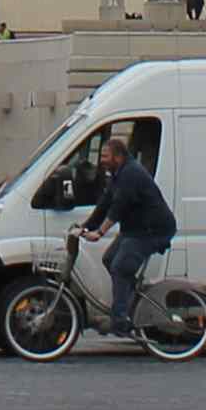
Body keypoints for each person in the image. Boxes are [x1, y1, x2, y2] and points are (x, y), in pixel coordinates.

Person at [76, 116, 174, 344]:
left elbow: (119, 206)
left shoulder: (130, 174)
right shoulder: (118, 174)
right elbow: (105, 204)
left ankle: (120, 320)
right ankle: (129, 303)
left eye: (105, 156)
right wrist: (85, 226)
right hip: (135, 230)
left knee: (120, 268)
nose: (101, 161)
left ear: (118, 157)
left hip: (152, 231)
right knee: (110, 259)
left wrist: (100, 232)